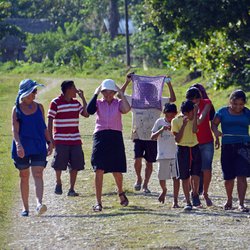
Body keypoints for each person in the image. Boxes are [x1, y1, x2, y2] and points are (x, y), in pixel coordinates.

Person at [121, 74, 176, 194]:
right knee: (137, 159)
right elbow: (119, 95)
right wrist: (127, 82)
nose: (146, 93)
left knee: (149, 162)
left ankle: (146, 184)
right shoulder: (135, 100)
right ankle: (138, 178)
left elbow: (173, 99)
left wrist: (168, 83)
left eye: (149, 91)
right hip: (138, 134)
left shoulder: (158, 101)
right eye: (144, 90)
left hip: (153, 136)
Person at [86, 79, 131, 212]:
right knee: (98, 169)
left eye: (111, 92)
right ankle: (98, 202)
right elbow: (89, 110)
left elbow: (127, 109)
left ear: (114, 92)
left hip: (115, 136)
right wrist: (95, 94)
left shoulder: (118, 103)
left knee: (116, 169)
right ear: (102, 92)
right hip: (100, 136)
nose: (108, 95)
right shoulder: (98, 103)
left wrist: (121, 93)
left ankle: (121, 192)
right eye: (105, 92)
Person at [11, 79, 53, 216]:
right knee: (24, 176)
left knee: (38, 173)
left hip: (38, 145)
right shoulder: (16, 110)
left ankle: (39, 204)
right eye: (31, 93)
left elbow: (43, 127)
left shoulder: (39, 107)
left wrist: (50, 142)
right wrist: (18, 145)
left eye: (34, 92)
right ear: (24, 94)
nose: (34, 95)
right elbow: (15, 131)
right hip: (22, 146)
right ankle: (25, 207)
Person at [48, 80, 89, 196]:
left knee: (75, 164)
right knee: (59, 163)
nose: (76, 90)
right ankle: (58, 182)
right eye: (74, 88)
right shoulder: (55, 103)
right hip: (60, 139)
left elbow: (86, 114)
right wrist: (51, 139)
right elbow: (50, 120)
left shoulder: (76, 103)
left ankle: (71, 189)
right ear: (68, 90)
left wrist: (83, 99)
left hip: (75, 139)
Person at [212, 89, 250, 212]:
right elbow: (214, 124)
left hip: (244, 146)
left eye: (241, 104)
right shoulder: (222, 112)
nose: (238, 107)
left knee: (241, 175)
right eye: (235, 104)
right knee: (228, 177)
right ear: (230, 102)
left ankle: (241, 203)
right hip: (228, 147)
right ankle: (229, 200)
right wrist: (216, 132)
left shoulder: (247, 113)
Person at [186, 87, 214, 206]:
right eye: (192, 100)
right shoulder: (187, 106)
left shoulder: (206, 103)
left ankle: (205, 193)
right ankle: (194, 193)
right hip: (193, 141)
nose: (194, 101)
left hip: (207, 140)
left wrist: (196, 109)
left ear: (200, 97)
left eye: (196, 99)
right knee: (193, 169)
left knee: (206, 168)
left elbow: (200, 120)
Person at [171, 100, 201, 210]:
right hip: (182, 149)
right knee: (184, 177)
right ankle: (188, 201)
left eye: (192, 112)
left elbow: (194, 130)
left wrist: (195, 116)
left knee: (196, 174)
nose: (189, 115)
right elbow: (177, 139)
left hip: (194, 147)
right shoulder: (176, 121)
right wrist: (183, 125)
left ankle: (195, 193)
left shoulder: (195, 119)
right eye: (187, 113)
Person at [151, 103, 180, 208]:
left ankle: (175, 201)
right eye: (168, 115)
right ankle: (164, 190)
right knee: (161, 177)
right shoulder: (159, 122)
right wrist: (162, 129)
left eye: (172, 115)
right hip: (163, 154)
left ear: (175, 114)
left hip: (175, 154)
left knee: (176, 178)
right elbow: (152, 137)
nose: (170, 117)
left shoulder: (177, 122)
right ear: (164, 114)